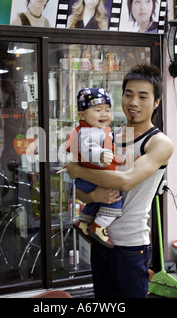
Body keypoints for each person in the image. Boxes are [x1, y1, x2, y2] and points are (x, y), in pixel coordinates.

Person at [65, 63, 173, 298]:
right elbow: (75, 191)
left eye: (143, 96)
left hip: (131, 246)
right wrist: (92, 196)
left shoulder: (159, 143)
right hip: (99, 241)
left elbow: (125, 181)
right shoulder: (108, 136)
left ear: (156, 102)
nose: (133, 102)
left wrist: (77, 170)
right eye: (128, 94)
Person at [66, 87, 122, 248]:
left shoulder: (94, 130)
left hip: (88, 178)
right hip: (92, 176)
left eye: (107, 110)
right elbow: (87, 149)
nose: (104, 114)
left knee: (96, 203)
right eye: (97, 110)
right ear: (82, 115)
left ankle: (84, 222)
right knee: (115, 200)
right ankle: (99, 227)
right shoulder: (88, 132)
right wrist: (101, 154)